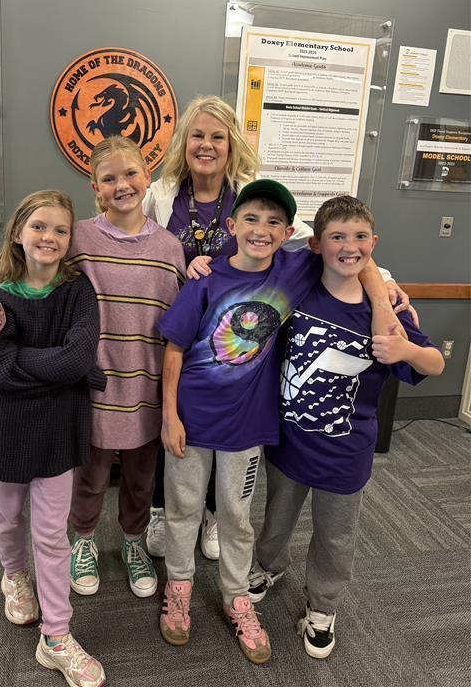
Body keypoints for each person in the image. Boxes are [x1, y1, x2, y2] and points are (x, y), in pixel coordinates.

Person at [155, 180, 398, 664]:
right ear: (231, 227)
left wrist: (386, 300)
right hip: (191, 424)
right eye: (250, 219)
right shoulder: (205, 282)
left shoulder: (294, 267)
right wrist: (168, 417)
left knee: (236, 518)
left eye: (273, 223)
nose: (261, 230)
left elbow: (358, 256)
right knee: (182, 510)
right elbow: (174, 349)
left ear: (288, 232)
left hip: (246, 430)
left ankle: (236, 597)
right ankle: (179, 588)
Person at [247, 195, 444, 660]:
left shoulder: (387, 313)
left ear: (373, 244)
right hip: (290, 441)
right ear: (317, 244)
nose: (348, 246)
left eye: (359, 238)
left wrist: (406, 352)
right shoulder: (300, 288)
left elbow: (434, 362)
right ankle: (269, 565)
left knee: (336, 536)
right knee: (276, 516)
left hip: (345, 450)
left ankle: (323, 605)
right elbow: (262, 246)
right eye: (337, 237)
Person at [142, 95, 314, 560]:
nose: (207, 144)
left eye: (217, 136)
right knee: (176, 426)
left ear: (231, 143)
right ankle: (163, 509)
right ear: (184, 141)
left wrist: (384, 285)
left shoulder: (250, 196)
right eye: (197, 134)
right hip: (177, 321)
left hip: (236, 332)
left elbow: (317, 242)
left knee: (230, 435)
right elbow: (134, 242)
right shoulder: (161, 194)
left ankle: (216, 516)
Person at [0, 190, 107, 687]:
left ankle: (57, 637)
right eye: (40, 226)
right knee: (6, 517)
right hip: (5, 428)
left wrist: (27, 359)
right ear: (19, 232)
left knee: (51, 534)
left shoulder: (79, 291)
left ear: (70, 239)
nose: (50, 237)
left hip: (58, 432)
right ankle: (13, 575)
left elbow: (77, 359)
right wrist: (60, 368)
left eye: (61, 230)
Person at [66, 136, 185, 601]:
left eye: (130, 174)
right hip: (94, 384)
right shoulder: (77, 237)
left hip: (148, 384)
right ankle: (84, 540)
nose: (122, 185)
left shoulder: (171, 247)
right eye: (109, 178)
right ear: (94, 188)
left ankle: (134, 543)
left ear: (148, 177)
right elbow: (29, 278)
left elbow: (180, 321)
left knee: (140, 476)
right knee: (91, 475)